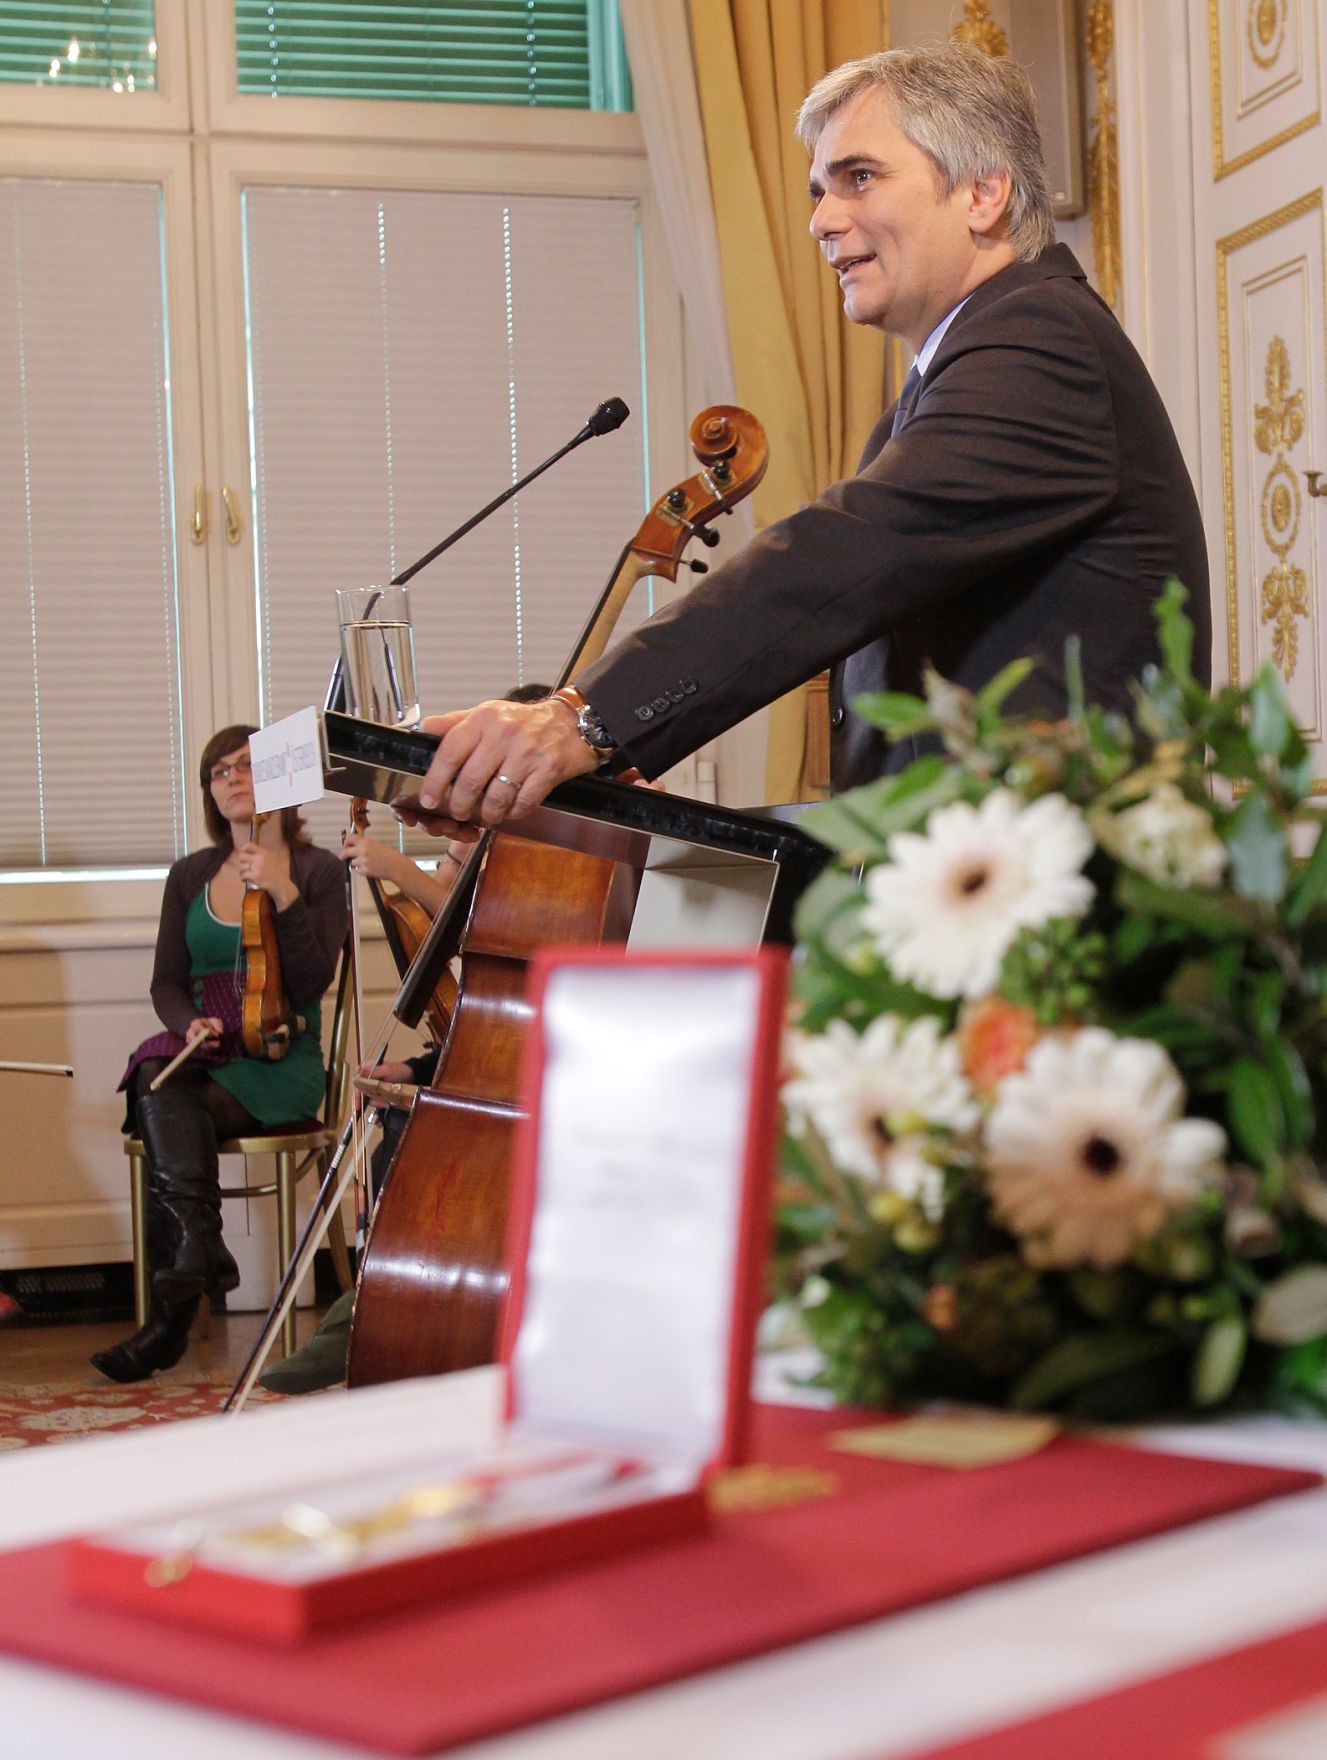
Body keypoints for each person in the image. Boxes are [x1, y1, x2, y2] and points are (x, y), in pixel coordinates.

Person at [393, 43, 1211, 840]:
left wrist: (586, 720)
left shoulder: (1039, 342)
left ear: (983, 193)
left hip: (1058, 912)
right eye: (818, 190)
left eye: (859, 177)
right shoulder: (945, 377)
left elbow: (838, 559)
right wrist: (609, 773)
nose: (821, 220)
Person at [92, 726, 348, 1383]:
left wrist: (283, 893)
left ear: (280, 782)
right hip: (209, 1043)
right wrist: (188, 1023)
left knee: (162, 1103)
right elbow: (166, 983)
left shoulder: (318, 870)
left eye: (247, 766)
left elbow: (314, 980)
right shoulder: (188, 875)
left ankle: (170, 1315)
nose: (232, 778)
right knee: (153, 1070)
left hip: (279, 1055)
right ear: (209, 791)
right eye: (218, 771)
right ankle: (202, 1252)